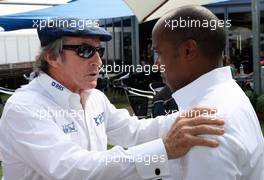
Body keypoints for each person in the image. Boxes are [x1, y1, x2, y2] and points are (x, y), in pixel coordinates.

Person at [0, 18, 224, 180]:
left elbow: (133, 131)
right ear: (52, 57)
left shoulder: (93, 97)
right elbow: (72, 170)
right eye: (86, 51)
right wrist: (162, 149)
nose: (98, 61)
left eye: (100, 51)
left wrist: (190, 117)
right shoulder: (25, 108)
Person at [152, 5, 264, 180]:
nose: (157, 65)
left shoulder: (202, 128)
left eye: (159, 53)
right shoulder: (230, 94)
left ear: (188, 50)